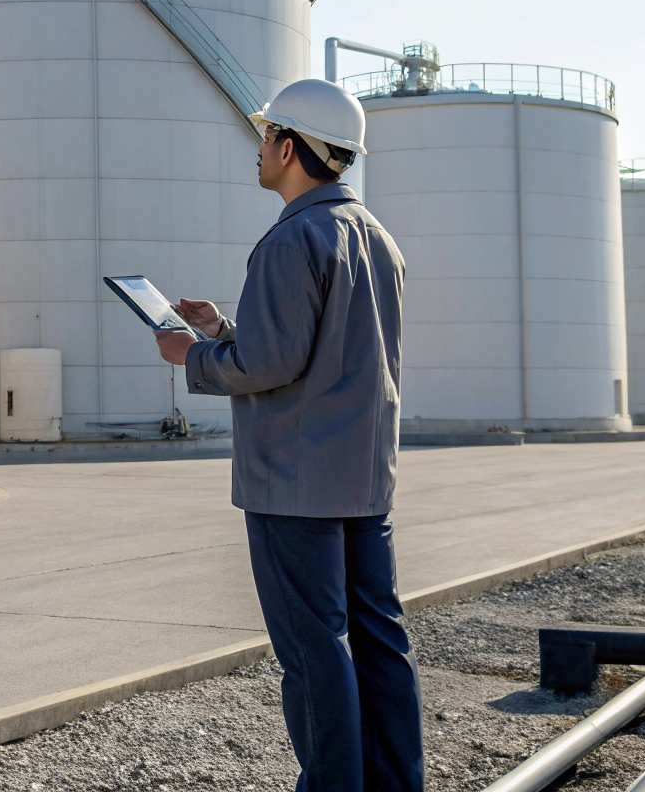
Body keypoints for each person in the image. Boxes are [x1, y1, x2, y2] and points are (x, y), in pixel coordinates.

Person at [153, 79, 422, 792]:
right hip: (363, 477)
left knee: (313, 652)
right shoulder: (376, 238)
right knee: (378, 642)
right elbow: (323, 353)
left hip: (295, 483)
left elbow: (272, 364)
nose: (261, 147)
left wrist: (193, 355)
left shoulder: (291, 238)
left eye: (269, 135)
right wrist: (223, 330)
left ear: (293, 147)